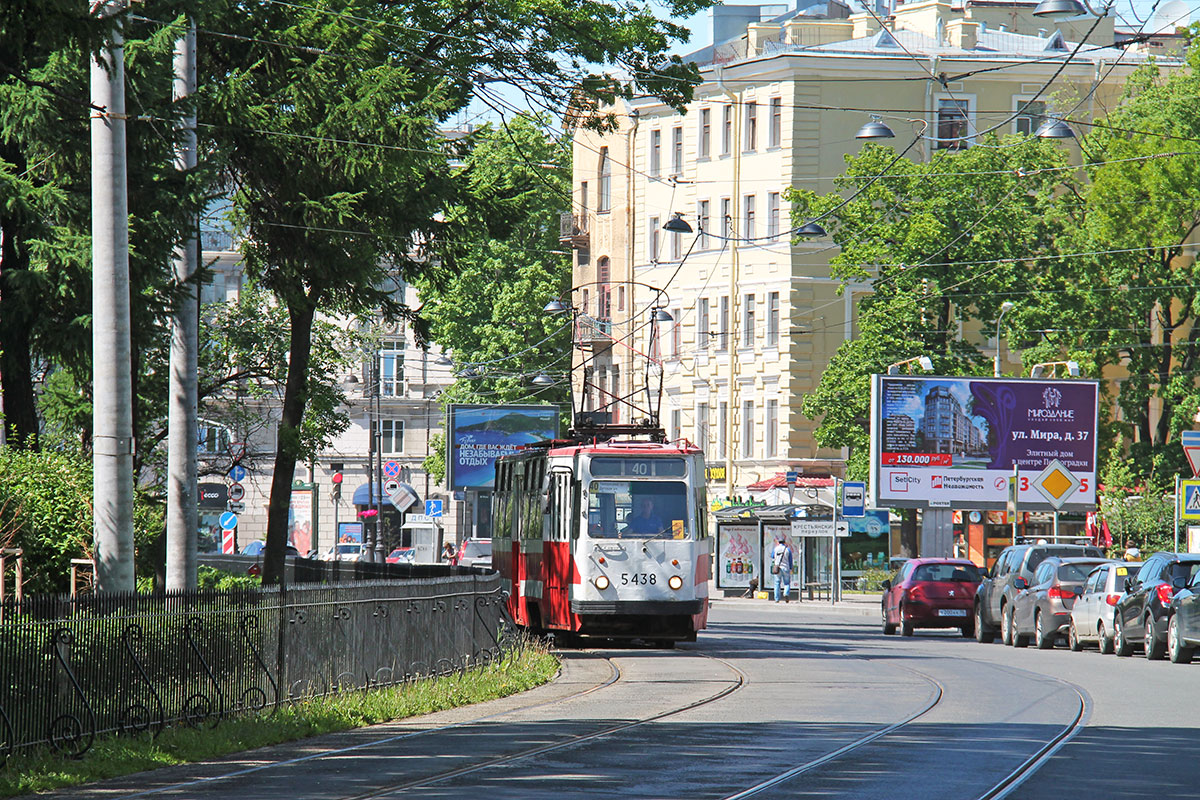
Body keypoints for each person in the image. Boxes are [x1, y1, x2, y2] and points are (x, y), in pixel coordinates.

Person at [771, 533, 794, 603]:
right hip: (785, 567)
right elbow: (790, 560)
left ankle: (777, 599)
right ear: (784, 542)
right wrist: (791, 568)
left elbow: (772, 556)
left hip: (777, 568)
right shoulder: (787, 550)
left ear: (778, 542)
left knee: (777, 583)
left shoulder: (775, 549)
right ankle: (786, 593)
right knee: (786, 582)